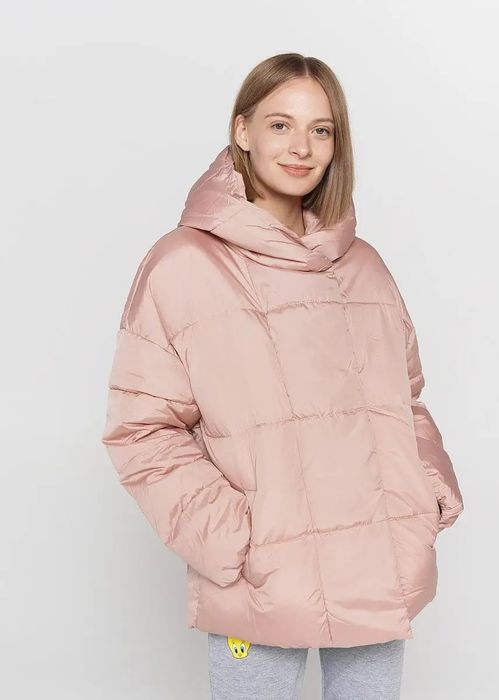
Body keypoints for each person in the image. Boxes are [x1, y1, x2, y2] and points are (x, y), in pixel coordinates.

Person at [101, 52, 464, 699]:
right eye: (280, 125)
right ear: (242, 130)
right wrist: (236, 539)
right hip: (262, 582)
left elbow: (403, 401)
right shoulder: (182, 264)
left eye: (321, 130)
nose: (302, 147)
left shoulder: (364, 267)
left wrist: (423, 493)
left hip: (376, 568)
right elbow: (142, 430)